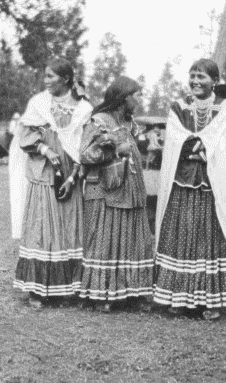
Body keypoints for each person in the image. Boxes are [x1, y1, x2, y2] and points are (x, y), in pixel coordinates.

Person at [153, 59, 226, 321]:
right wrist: (199, 146)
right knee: (182, 232)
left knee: (210, 235)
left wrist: (198, 145)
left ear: (215, 82)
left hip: (212, 182)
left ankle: (212, 298)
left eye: (202, 77)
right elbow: (175, 139)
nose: (196, 81)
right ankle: (178, 296)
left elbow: (225, 142)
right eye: (193, 76)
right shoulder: (179, 107)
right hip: (183, 180)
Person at [12, 58, 93, 308]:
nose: (46, 81)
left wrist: (74, 175)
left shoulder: (83, 108)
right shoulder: (38, 104)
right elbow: (25, 135)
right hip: (44, 172)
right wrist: (47, 150)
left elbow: (86, 145)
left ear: (66, 79)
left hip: (71, 173)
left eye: (51, 77)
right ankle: (38, 289)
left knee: (69, 227)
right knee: (42, 227)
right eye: (45, 76)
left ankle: (65, 288)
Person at [78, 76, 153, 313]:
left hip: (130, 190)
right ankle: (103, 295)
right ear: (123, 97)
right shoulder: (100, 121)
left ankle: (132, 293)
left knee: (132, 240)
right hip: (106, 191)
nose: (140, 100)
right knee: (106, 241)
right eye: (137, 95)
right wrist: (112, 151)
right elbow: (84, 154)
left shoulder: (130, 124)